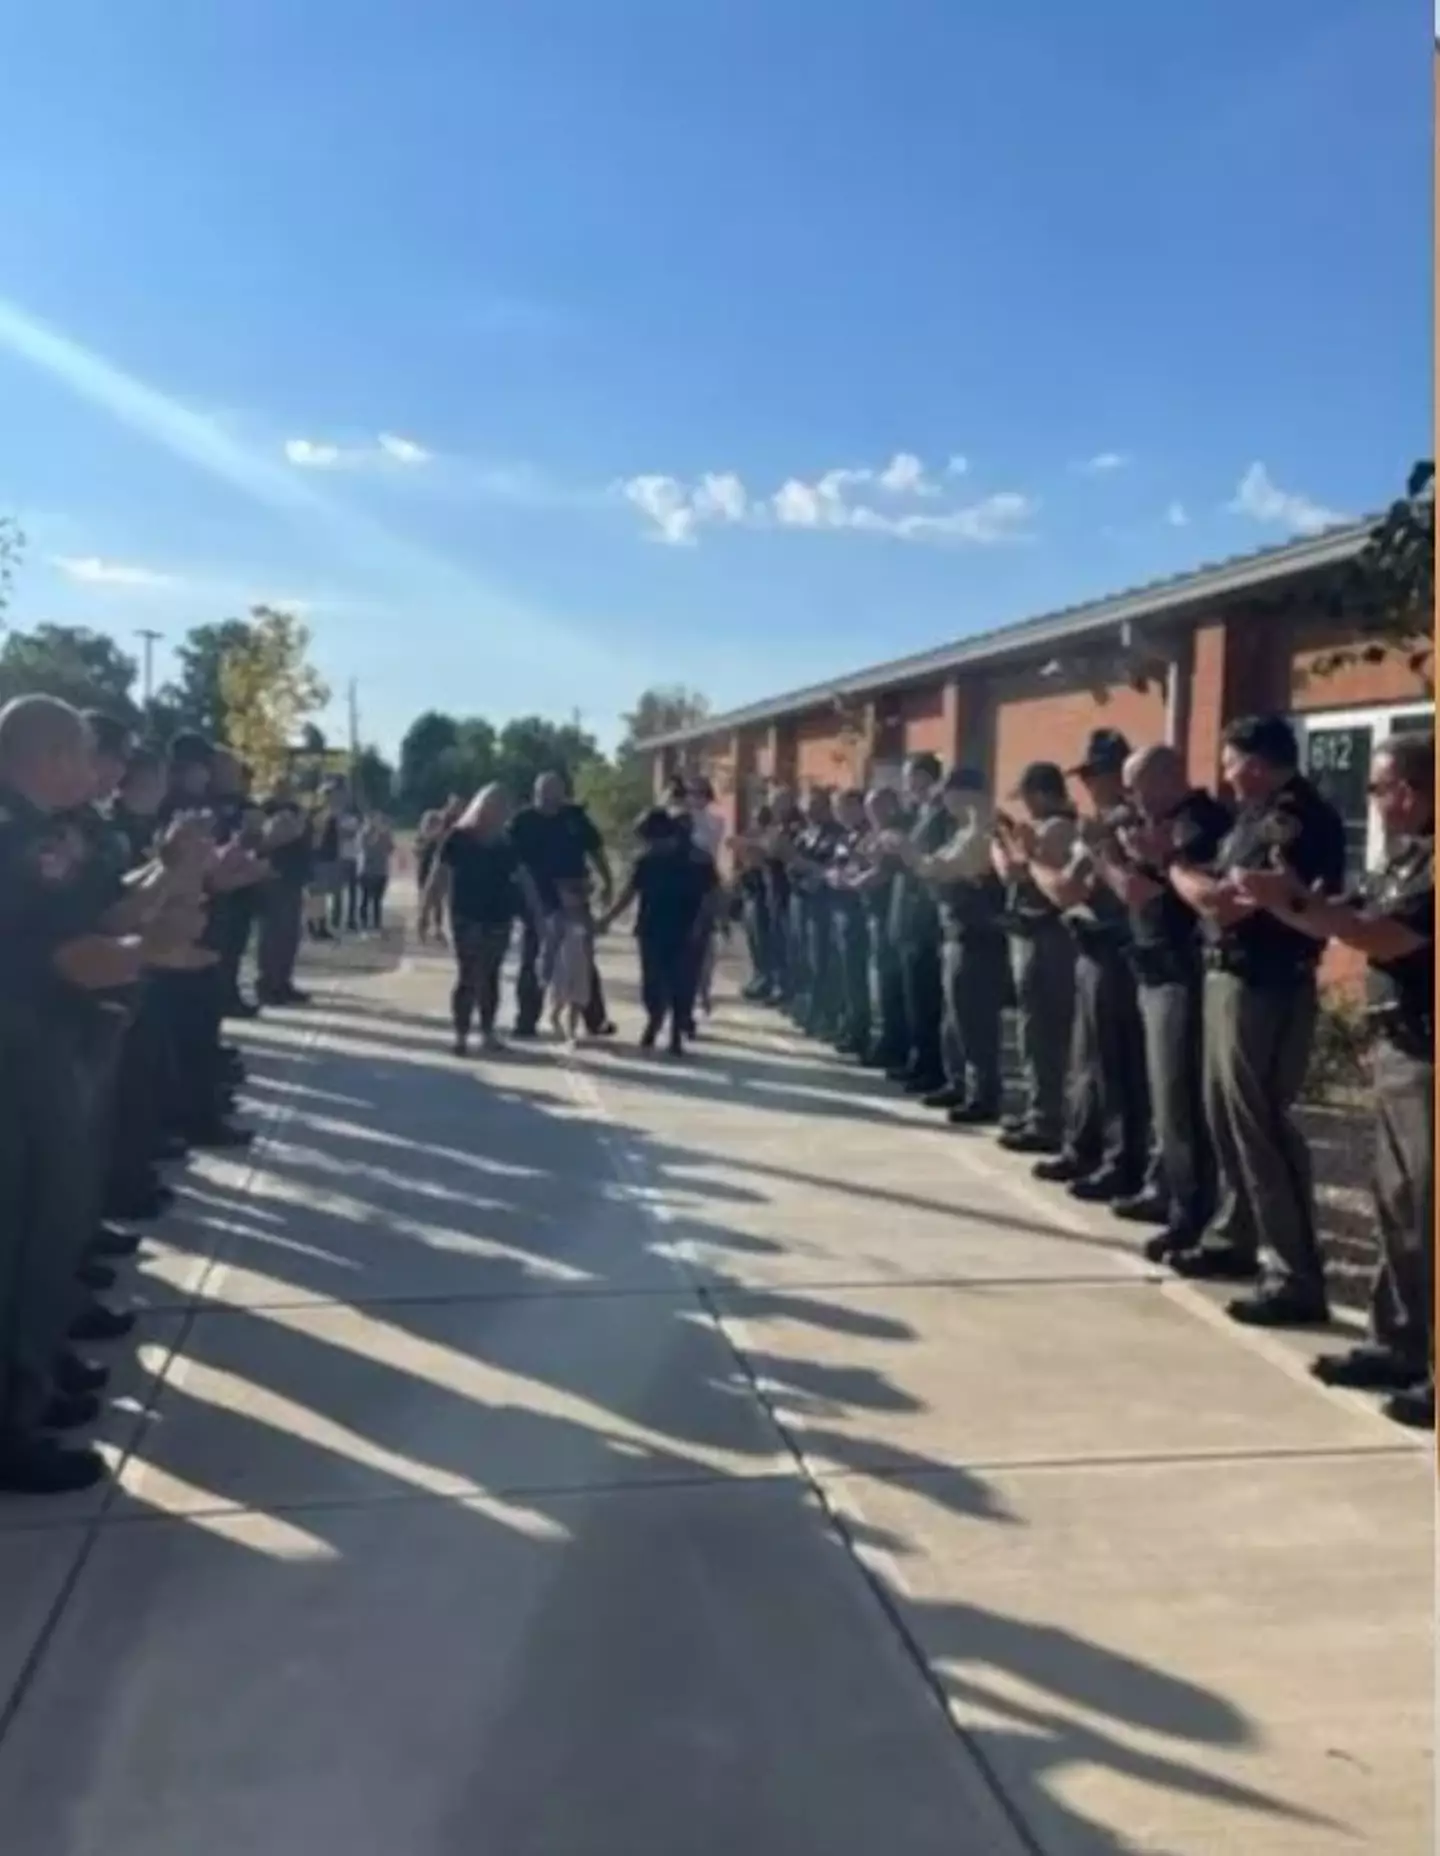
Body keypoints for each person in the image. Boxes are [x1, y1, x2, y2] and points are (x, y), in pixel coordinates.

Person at [1233, 732, 1434, 1426]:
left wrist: (1289, 903)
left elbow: (1391, 937)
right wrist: (1305, 901)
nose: (1373, 803)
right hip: (1401, 1048)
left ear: (1408, 789)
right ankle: (1399, 1344)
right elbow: (1358, 910)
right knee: (1397, 1208)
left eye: (1377, 788)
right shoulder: (1405, 858)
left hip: (1428, 1056)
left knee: (1427, 1212)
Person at [1170, 713, 1346, 1328]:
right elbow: (1218, 888)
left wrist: (1179, 876)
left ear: (1254, 760)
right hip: (1230, 975)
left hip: (1266, 984)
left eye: (1229, 761)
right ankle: (1236, 1237)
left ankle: (1294, 1273)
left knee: (1259, 1124)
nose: (1224, 774)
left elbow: (1230, 904)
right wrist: (1197, 883)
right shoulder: (1253, 815)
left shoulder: (1295, 817)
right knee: (1226, 1116)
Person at [1093, 744, 1230, 1260]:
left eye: (1137, 784)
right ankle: (1166, 1191)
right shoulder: (1162, 823)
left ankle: (1189, 1216)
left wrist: (1107, 858)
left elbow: (1141, 893)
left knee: (1181, 1103)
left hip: (1181, 970)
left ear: (1169, 776)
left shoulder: (1195, 823)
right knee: (1162, 1098)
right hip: (1152, 967)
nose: (1131, 797)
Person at [1024, 730, 1150, 1203]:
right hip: (1091, 949)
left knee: (1115, 1065)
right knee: (1086, 1061)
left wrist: (1033, 863)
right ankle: (1083, 1148)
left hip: (1116, 952)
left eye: (1094, 775)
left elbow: (1065, 891)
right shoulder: (1100, 823)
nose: (1087, 785)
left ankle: (1120, 1162)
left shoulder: (1123, 823)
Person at [894, 767, 1008, 1124]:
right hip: (955, 930)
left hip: (976, 936)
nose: (944, 802)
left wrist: (907, 852)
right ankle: (959, 1083)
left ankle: (982, 1093)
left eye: (948, 794)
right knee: (955, 1018)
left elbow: (941, 868)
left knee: (974, 1020)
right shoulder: (965, 831)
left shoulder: (983, 831)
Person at [991, 762, 1078, 1154]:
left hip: (1047, 938)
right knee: (1032, 1029)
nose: (1025, 806)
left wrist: (1000, 841)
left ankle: (1049, 1119)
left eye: (1027, 797)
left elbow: (1013, 871)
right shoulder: (1042, 829)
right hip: (1029, 935)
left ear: (1042, 793)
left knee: (1043, 1031)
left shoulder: (1057, 828)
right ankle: (1038, 1110)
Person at [431, 784, 542, 1055]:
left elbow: (523, 877)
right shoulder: (458, 838)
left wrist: (537, 910)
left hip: (498, 915)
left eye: (502, 808)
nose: (497, 812)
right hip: (465, 914)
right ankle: (461, 1035)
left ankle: (488, 1032)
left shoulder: (506, 842)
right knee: (468, 974)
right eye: (492, 806)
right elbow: (439, 875)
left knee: (491, 974)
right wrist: (429, 915)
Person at [598, 807, 719, 1054]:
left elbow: (711, 895)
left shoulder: (697, 859)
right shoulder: (647, 861)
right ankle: (655, 1018)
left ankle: (676, 1030)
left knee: (683, 983)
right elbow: (629, 892)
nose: (650, 844)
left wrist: (702, 925)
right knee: (652, 982)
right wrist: (608, 918)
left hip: (688, 929)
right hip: (652, 928)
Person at [508, 771, 615, 1038]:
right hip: (537, 901)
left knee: (582, 958)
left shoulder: (575, 818)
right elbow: (510, 860)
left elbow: (596, 850)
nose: (548, 799)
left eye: (553, 793)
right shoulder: (523, 822)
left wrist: (607, 881)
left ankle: (595, 1019)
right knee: (533, 959)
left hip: (573, 897)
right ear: (535, 795)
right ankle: (526, 1020)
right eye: (543, 794)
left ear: (562, 794)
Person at [888, 754, 950, 1096]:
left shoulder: (941, 815)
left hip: (925, 916)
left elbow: (932, 862)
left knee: (926, 998)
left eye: (911, 776)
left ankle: (932, 1067)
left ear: (927, 776)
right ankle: (916, 1059)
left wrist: (905, 848)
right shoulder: (916, 814)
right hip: (906, 913)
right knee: (912, 997)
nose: (907, 784)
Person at [855, 785, 910, 1072]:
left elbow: (883, 871)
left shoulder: (898, 833)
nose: (872, 814)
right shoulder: (874, 834)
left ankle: (894, 1044)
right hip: (874, 913)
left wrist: (858, 881)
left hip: (892, 913)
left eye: (877, 808)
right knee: (881, 982)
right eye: (869, 809)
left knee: (891, 984)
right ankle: (887, 1040)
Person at [825, 788, 874, 1058]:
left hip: (859, 912)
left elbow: (860, 868)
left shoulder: (868, 836)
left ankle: (860, 1032)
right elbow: (836, 865)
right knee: (845, 974)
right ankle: (849, 1026)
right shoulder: (846, 836)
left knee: (857, 976)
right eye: (837, 809)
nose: (841, 814)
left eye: (845, 808)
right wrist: (834, 875)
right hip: (840, 910)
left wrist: (844, 877)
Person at [256, 779, 313, 1007]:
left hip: (294, 877)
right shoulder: (266, 809)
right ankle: (268, 984)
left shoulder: (297, 810)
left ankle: (283, 981)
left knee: (290, 934)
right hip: (274, 876)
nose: (287, 791)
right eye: (282, 787)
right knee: (273, 934)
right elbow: (264, 840)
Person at [548, 878, 595, 1044]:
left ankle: (571, 1032)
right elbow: (552, 943)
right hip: (562, 963)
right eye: (570, 894)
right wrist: (547, 965)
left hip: (581, 963)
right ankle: (554, 1017)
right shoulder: (559, 918)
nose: (574, 899)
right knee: (561, 996)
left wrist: (590, 962)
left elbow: (590, 941)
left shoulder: (586, 918)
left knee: (578, 998)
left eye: (579, 895)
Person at [415, 809, 447, 943]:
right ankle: (422, 928)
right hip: (425, 872)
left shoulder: (441, 838)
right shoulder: (422, 838)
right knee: (425, 904)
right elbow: (417, 852)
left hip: (438, 873)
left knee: (438, 903)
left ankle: (438, 929)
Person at [358, 814, 395, 931]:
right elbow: (367, 848)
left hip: (381, 871)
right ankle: (363, 922)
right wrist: (377, 835)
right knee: (365, 898)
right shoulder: (364, 834)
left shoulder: (386, 834)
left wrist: (387, 836)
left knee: (377, 900)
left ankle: (376, 922)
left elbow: (391, 849)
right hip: (367, 871)